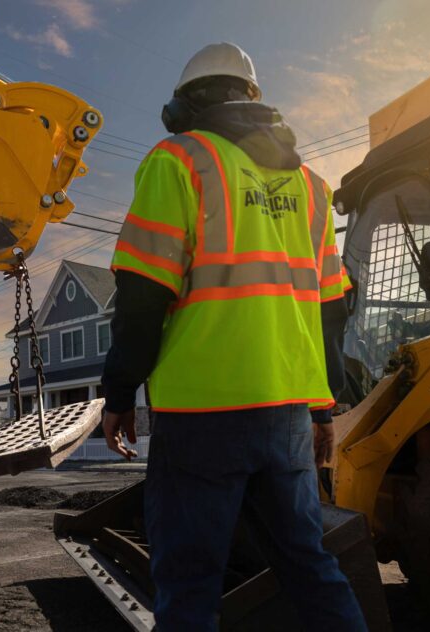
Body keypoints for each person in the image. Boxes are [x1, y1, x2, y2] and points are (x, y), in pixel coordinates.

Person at [100, 42, 367, 631]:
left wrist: (119, 395)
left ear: (185, 102)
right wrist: (324, 409)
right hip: (286, 412)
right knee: (308, 562)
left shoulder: (179, 161)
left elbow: (143, 295)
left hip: (203, 409)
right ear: (254, 98)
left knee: (191, 580)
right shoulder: (313, 189)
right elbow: (329, 312)